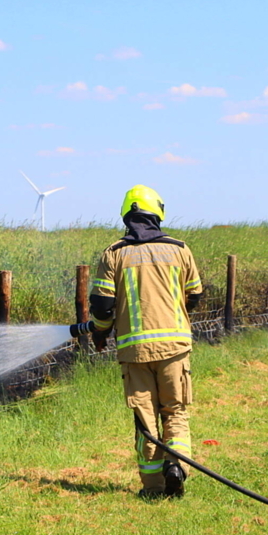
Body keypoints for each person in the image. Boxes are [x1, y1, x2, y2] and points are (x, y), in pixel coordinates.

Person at [89, 185, 203, 498]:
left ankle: (153, 489)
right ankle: (177, 466)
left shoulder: (114, 253)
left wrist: (100, 332)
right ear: (158, 212)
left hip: (134, 351)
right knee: (175, 412)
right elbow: (195, 293)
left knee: (146, 419)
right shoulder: (180, 249)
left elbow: (102, 306)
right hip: (175, 349)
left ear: (127, 214)